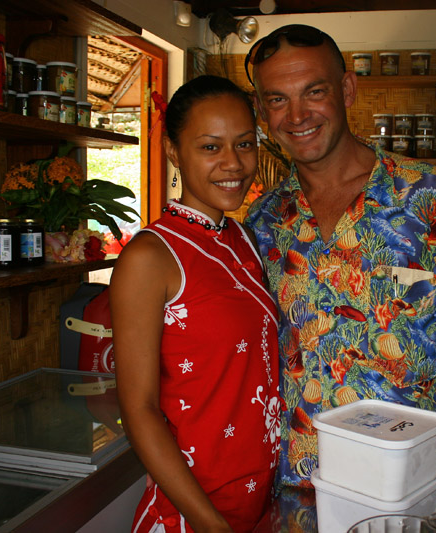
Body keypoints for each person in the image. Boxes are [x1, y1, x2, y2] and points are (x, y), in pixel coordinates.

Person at [244, 25, 436, 510]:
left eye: (314, 92)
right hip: (303, 487)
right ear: (261, 111)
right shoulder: (262, 223)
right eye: (277, 99)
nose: (297, 116)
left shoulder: (428, 197)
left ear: (347, 90)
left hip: (417, 483)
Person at [110, 75, 281, 532]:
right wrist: (210, 524)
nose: (234, 164)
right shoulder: (151, 257)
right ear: (172, 151)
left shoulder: (242, 239)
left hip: (258, 501)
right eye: (211, 147)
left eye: (245, 145)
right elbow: (139, 408)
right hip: (194, 513)